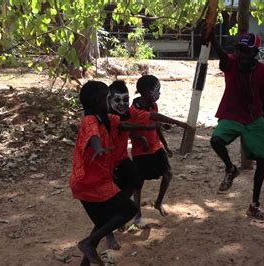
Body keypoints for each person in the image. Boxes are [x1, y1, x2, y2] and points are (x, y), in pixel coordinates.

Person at [208, 31, 264, 221]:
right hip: (232, 114)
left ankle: (254, 206)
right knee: (216, 140)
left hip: (254, 117)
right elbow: (222, 55)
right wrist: (212, 37)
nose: (242, 54)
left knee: (263, 159)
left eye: (247, 51)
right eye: (240, 49)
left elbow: (262, 95)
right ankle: (230, 168)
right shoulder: (230, 63)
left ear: (255, 53)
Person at [69, 81, 137, 265]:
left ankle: (87, 251)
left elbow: (123, 125)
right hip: (88, 184)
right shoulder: (90, 121)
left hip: (98, 181)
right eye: (108, 98)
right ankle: (87, 243)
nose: (110, 101)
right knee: (130, 209)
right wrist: (98, 148)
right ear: (99, 101)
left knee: (101, 223)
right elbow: (93, 136)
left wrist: (149, 127)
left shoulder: (104, 118)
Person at [129, 75, 190, 227]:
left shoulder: (153, 104)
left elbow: (156, 125)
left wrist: (166, 145)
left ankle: (158, 202)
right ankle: (137, 216)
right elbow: (131, 130)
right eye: (157, 90)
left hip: (156, 148)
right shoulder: (133, 110)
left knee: (168, 173)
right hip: (140, 153)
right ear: (146, 91)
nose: (159, 93)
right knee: (138, 184)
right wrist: (178, 122)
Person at [104, 80, 158, 250]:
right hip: (106, 163)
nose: (122, 104)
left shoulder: (127, 112)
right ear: (108, 100)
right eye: (117, 100)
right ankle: (109, 233)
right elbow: (125, 125)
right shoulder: (105, 116)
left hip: (122, 158)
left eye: (125, 100)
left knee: (135, 182)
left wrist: (138, 136)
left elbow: (129, 127)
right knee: (107, 198)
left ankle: (127, 214)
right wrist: (147, 130)